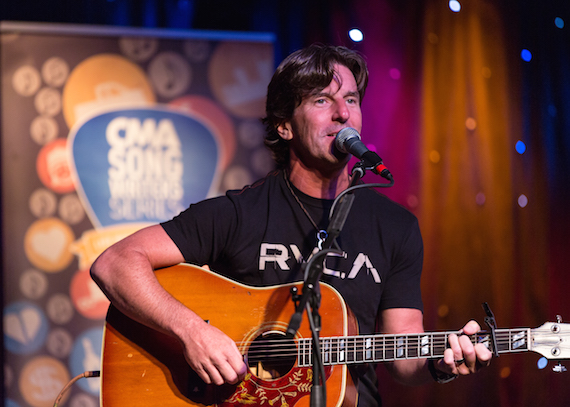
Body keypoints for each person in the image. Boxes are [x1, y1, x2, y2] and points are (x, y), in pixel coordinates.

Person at [91, 44, 492, 405]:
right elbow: (115, 263)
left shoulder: (396, 226)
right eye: (322, 100)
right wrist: (192, 331)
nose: (343, 113)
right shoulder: (239, 213)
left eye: (351, 99)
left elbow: (404, 357)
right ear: (284, 126)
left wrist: (442, 363)